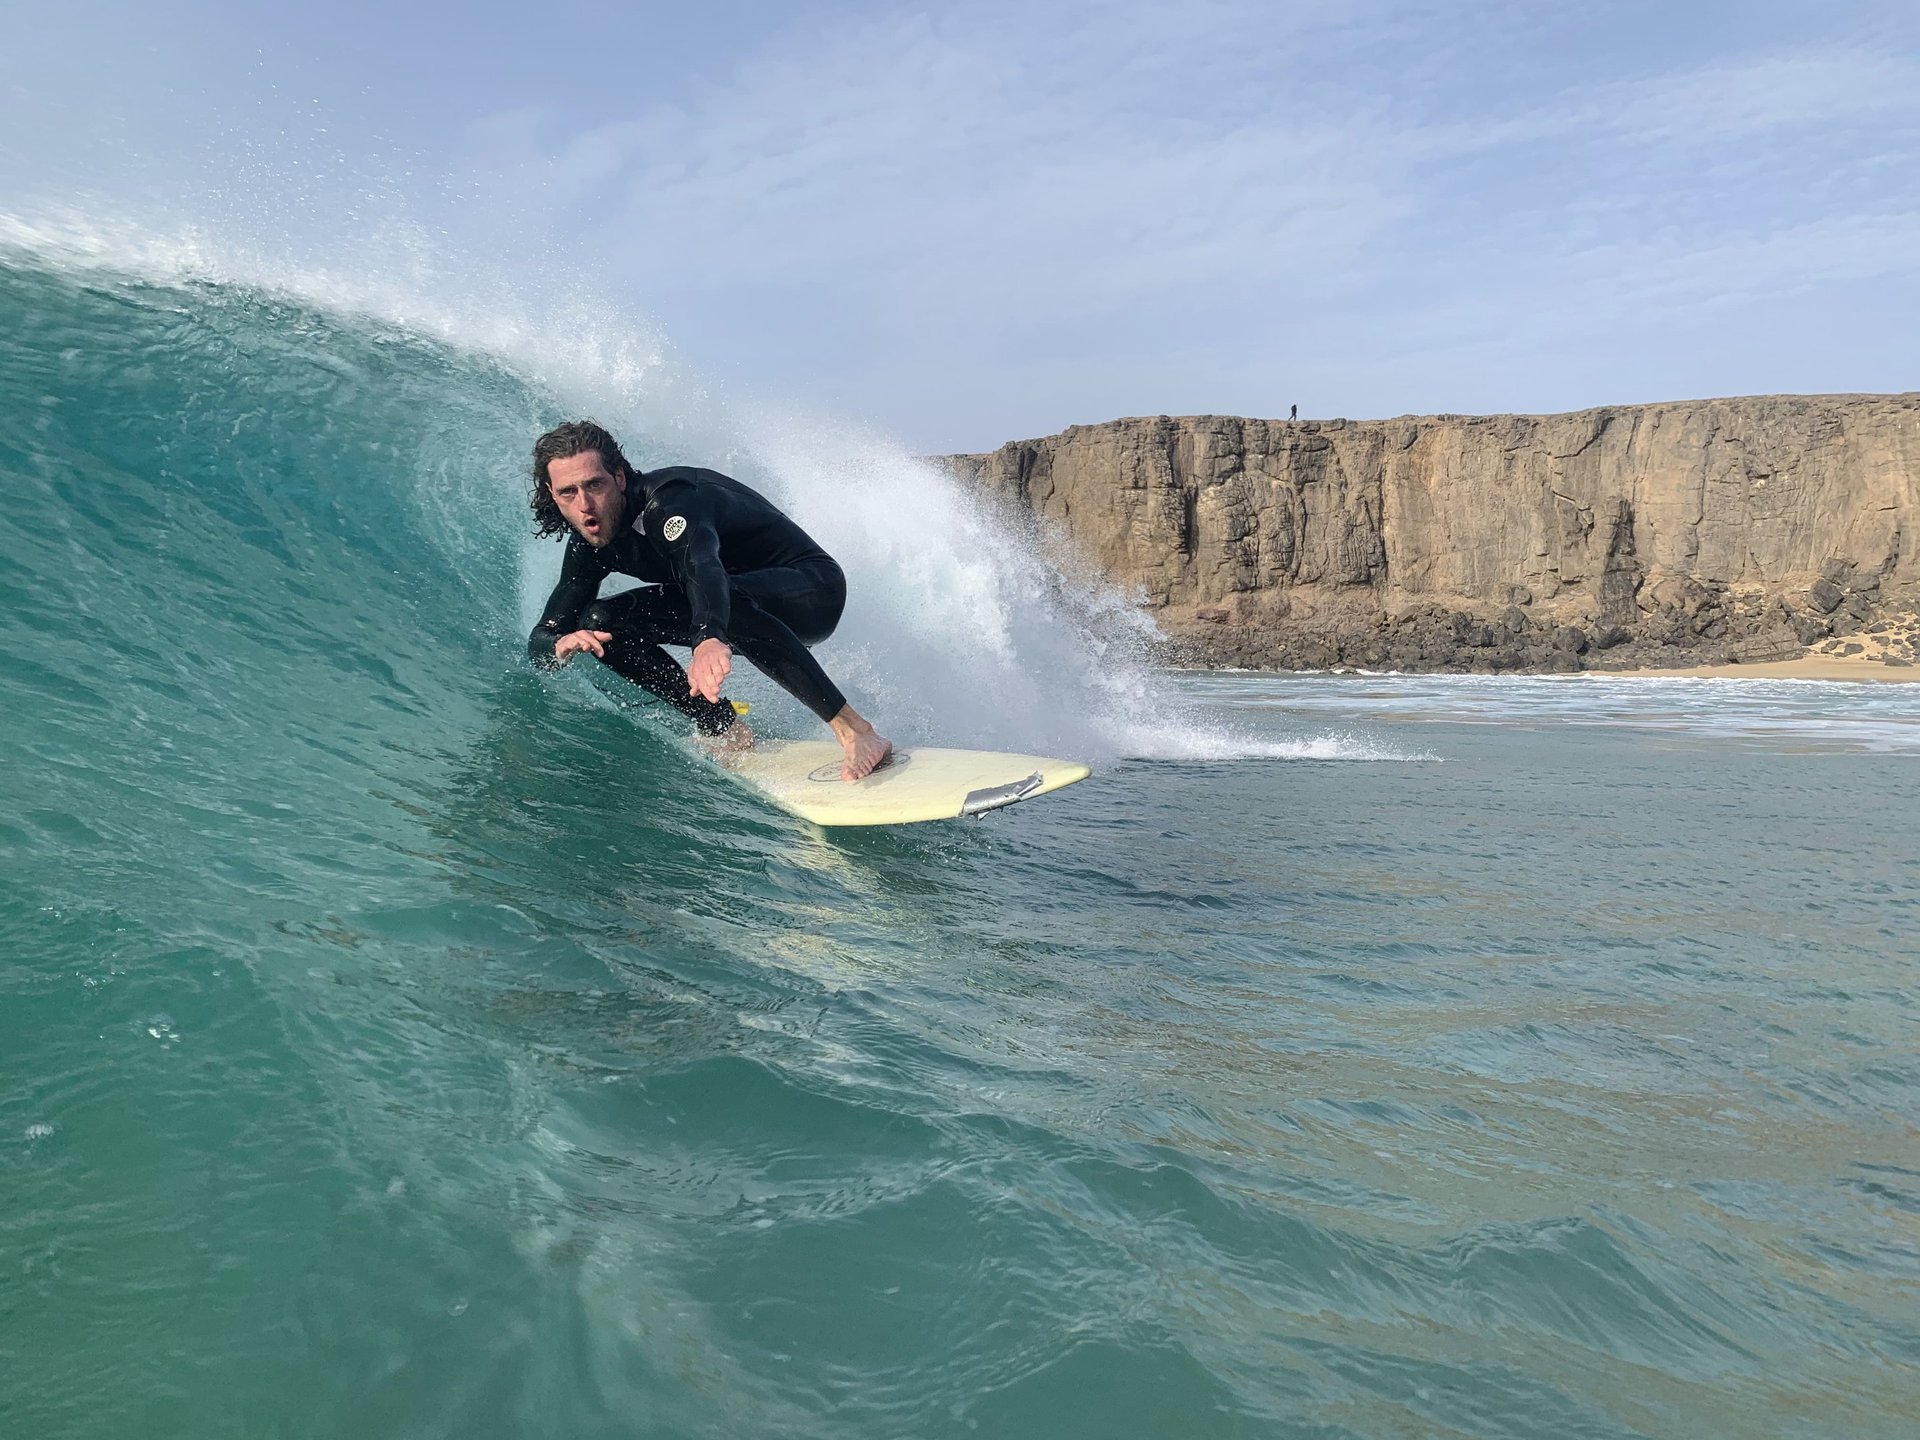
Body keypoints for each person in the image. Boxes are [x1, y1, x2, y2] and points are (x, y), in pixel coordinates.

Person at [525, 420, 892, 781]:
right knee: (600, 621)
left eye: (594, 485)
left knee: (725, 595)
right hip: (741, 606)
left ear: (619, 478)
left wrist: (708, 637)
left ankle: (855, 730)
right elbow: (543, 635)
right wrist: (558, 645)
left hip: (813, 591)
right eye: (568, 492)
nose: (585, 504)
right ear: (553, 495)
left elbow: (703, 567)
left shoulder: (670, 503)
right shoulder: (588, 544)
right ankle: (722, 725)